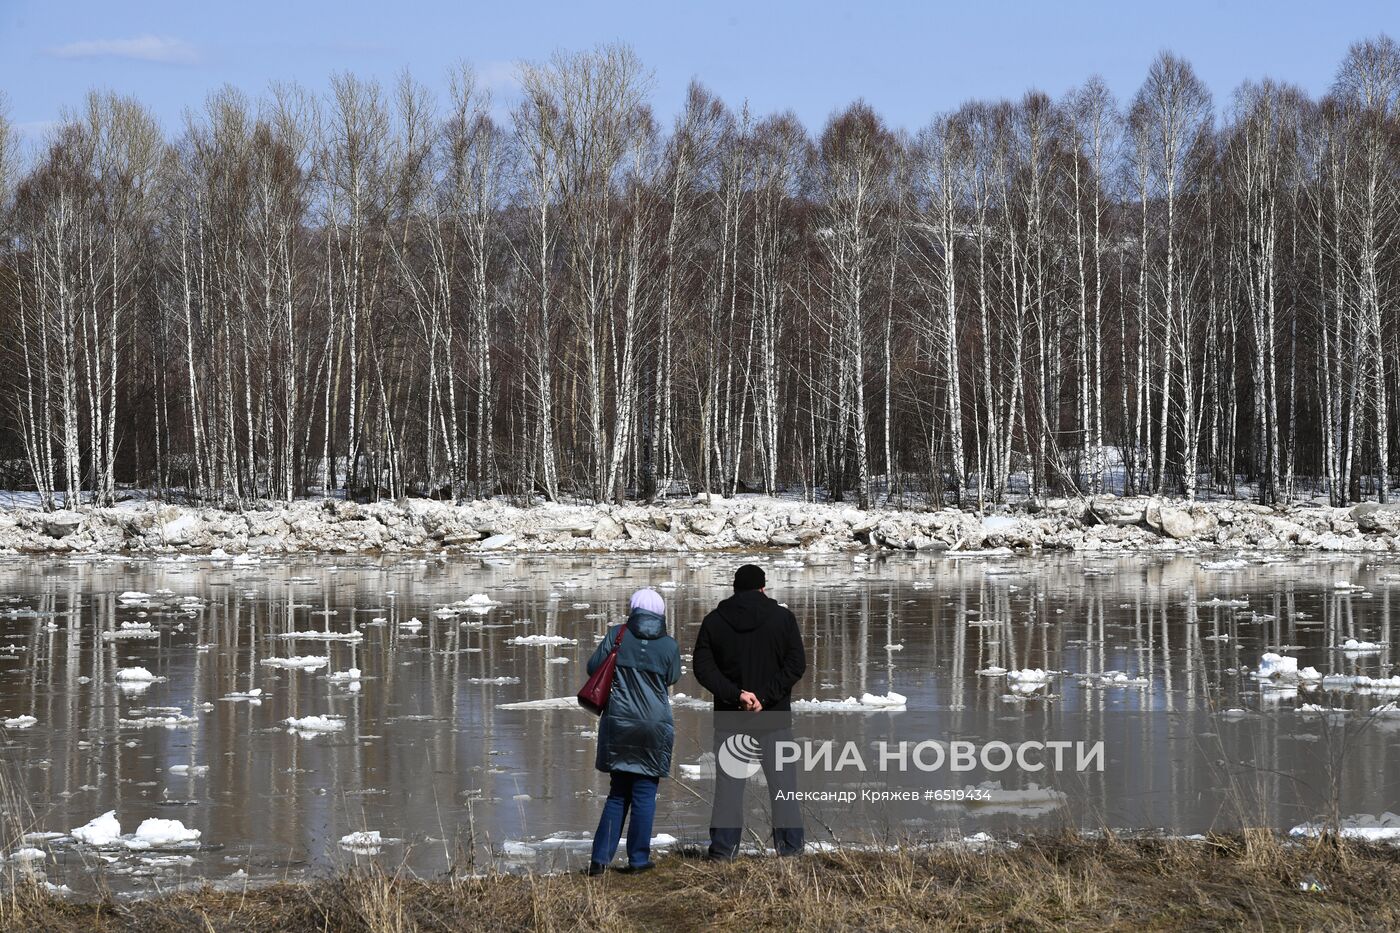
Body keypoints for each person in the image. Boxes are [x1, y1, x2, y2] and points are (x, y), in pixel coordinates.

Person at [692, 563, 807, 859]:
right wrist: (765, 698)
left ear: (734, 589)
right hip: (775, 718)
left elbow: (703, 669)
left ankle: (722, 853)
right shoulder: (783, 619)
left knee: (729, 791)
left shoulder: (714, 621)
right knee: (783, 789)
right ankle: (790, 851)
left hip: (731, 718)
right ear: (762, 588)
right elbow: (796, 665)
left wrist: (737, 695)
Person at [587, 587, 681, 876]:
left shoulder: (617, 634)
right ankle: (638, 860)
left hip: (620, 722)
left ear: (633, 608)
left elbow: (593, 668)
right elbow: (673, 676)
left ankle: (599, 861)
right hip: (654, 725)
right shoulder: (669, 645)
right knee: (644, 793)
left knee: (618, 793)